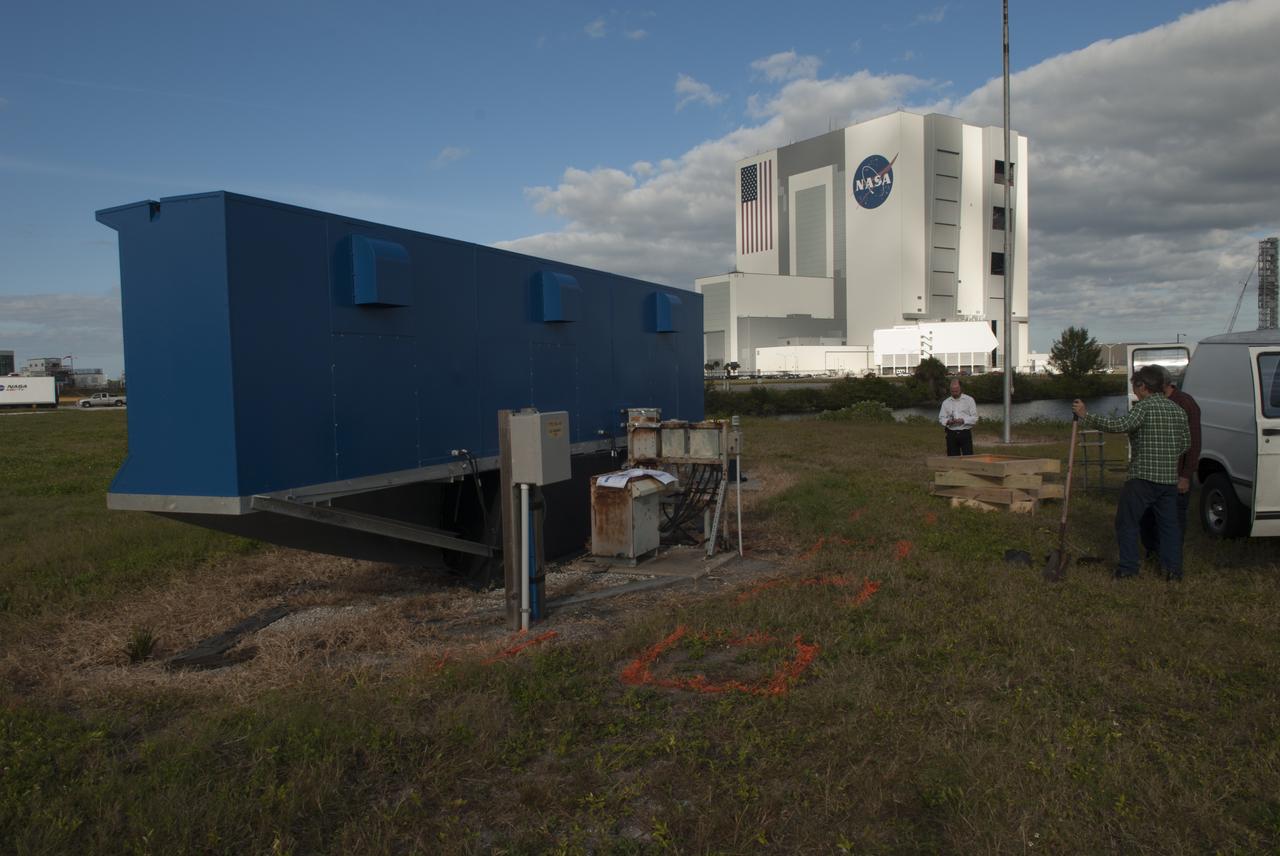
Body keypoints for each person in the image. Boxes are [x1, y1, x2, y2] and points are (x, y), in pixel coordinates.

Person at [1072, 365, 1190, 580]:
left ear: (1143, 386)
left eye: (1135, 387)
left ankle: (1128, 569)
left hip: (1142, 478)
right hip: (1168, 481)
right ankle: (1173, 571)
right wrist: (1166, 456)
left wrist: (1085, 416)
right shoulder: (1177, 410)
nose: (1134, 392)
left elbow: (1120, 425)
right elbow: (1185, 444)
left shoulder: (1143, 408)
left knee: (1127, 522)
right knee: (1169, 527)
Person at [1140, 367, 1201, 561]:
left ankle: (1171, 559)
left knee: (1173, 519)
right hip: (1151, 474)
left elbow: (1193, 443)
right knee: (1148, 516)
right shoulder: (1149, 402)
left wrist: (1185, 475)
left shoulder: (1184, 403)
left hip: (1175, 474)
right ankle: (1153, 551)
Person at [938, 379, 978, 456]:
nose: (955, 393)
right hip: (951, 433)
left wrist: (963, 420)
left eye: (956, 391)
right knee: (952, 458)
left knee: (968, 457)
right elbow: (941, 418)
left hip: (965, 433)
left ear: (961, 389)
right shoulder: (946, 402)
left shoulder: (969, 400)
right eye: (952, 391)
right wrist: (948, 422)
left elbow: (975, 418)